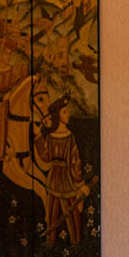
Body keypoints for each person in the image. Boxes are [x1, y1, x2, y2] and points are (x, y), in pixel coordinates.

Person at [34, 95, 91, 245]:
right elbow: (73, 163)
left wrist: (39, 137)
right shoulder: (60, 137)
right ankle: (62, 244)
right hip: (65, 180)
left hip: (58, 179)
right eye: (65, 112)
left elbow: (73, 162)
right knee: (59, 215)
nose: (68, 114)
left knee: (67, 214)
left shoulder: (61, 137)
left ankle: (71, 244)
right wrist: (80, 184)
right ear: (58, 115)